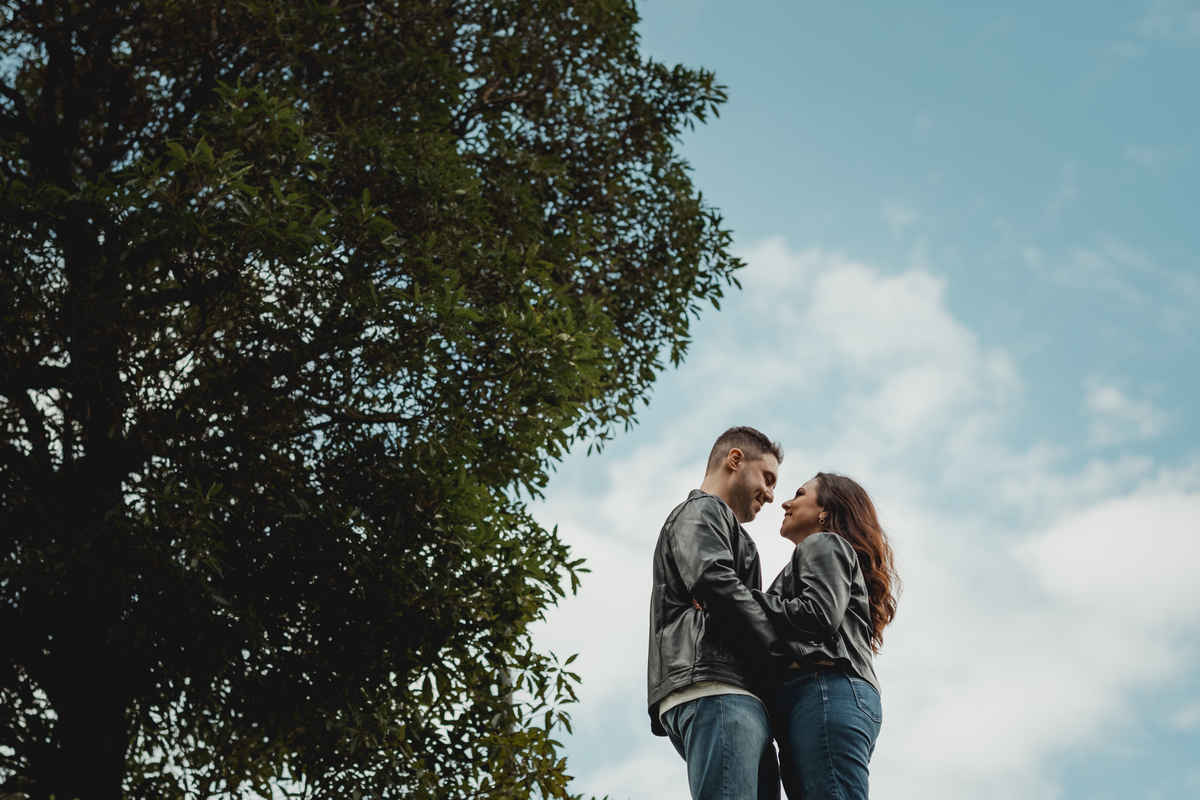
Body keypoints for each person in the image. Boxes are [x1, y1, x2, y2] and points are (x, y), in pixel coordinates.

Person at [647, 426, 785, 800]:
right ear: (735, 460)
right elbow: (714, 583)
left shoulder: (731, 531)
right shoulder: (701, 510)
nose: (772, 495)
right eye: (767, 478)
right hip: (716, 688)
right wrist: (777, 648)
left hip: (731, 692)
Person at [754, 472, 899, 800]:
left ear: (825, 511)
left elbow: (818, 615)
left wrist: (734, 596)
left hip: (823, 690)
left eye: (799, 494)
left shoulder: (823, 543)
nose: (786, 502)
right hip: (821, 696)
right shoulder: (815, 557)